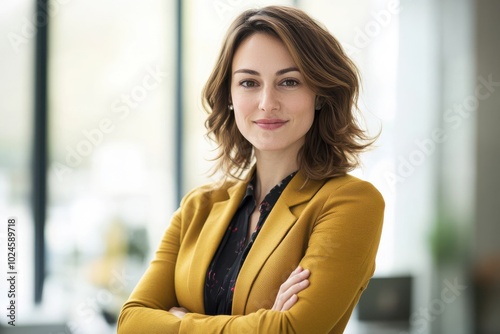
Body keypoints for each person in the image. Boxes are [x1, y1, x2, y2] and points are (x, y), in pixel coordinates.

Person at [118, 5, 384, 334]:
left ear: (319, 94)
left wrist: (180, 322)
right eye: (248, 83)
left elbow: (291, 330)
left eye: (289, 82)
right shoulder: (197, 208)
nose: (267, 102)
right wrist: (262, 322)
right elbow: (131, 322)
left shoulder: (351, 203)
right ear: (228, 95)